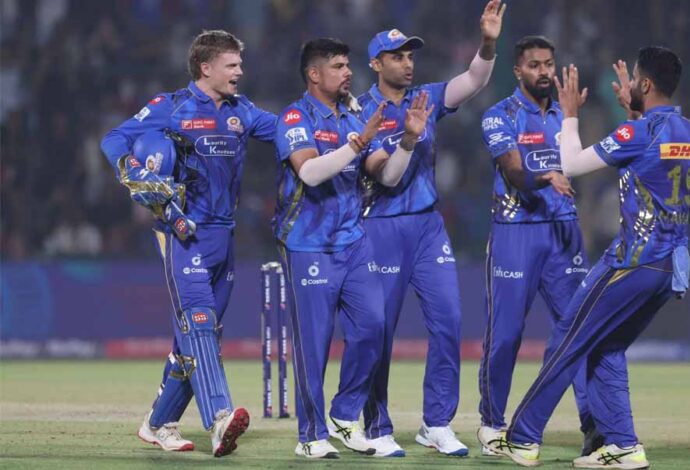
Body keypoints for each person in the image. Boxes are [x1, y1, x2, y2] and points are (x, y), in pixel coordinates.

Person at [479, 46, 690, 469]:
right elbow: (650, 156)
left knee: (568, 337)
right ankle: (623, 445)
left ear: (645, 84)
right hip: (670, 264)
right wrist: (633, 113)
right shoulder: (688, 129)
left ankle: (522, 439)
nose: (629, 86)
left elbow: (573, 164)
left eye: (635, 80)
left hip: (632, 261)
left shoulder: (639, 131)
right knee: (606, 346)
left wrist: (569, 115)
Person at [101, 30, 277, 457]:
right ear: (206, 67)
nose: (240, 72)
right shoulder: (171, 106)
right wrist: (136, 174)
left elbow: (291, 134)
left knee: (198, 337)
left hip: (225, 236)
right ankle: (219, 418)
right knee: (198, 323)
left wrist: (341, 130)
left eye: (240, 64)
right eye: (232, 65)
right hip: (183, 234)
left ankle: (158, 422)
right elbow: (113, 140)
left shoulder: (243, 110)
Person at [356, 0, 506, 458]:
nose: (407, 63)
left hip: (427, 228)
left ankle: (436, 423)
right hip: (380, 227)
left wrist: (487, 43)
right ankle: (377, 426)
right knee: (379, 330)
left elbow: (474, 80)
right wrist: (408, 136)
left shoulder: (427, 98)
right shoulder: (359, 111)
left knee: (449, 321)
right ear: (376, 64)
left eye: (410, 56)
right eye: (397, 56)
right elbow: (385, 179)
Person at [273, 37, 431, 459]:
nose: (348, 73)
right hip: (308, 244)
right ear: (314, 74)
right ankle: (311, 435)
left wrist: (407, 141)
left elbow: (387, 177)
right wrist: (358, 143)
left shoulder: (354, 117)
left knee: (374, 327)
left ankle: (344, 415)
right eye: (339, 66)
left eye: (348, 65)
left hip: (353, 241)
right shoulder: (295, 116)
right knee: (315, 344)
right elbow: (309, 172)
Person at [477, 35, 601, 458]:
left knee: (580, 331)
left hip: (564, 231)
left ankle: (594, 428)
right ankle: (493, 423)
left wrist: (574, 118)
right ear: (518, 71)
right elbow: (513, 171)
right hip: (516, 232)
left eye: (549, 63)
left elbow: (583, 163)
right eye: (534, 65)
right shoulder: (500, 115)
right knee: (506, 334)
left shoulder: (566, 115)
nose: (544, 71)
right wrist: (546, 176)